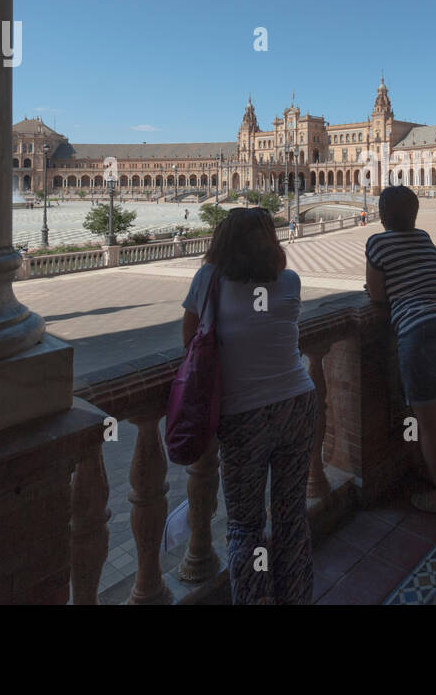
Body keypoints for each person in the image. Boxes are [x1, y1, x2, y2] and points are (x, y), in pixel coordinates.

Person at [180, 207, 316, 604]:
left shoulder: (208, 278)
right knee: (292, 519)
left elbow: (190, 341)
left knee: (245, 528)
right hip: (298, 402)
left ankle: (255, 598)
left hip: (243, 415)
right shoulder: (289, 280)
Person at [366, 186, 436, 515]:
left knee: (431, 424)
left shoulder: (377, 243)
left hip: (420, 334)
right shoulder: (424, 237)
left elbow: (377, 295)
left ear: (382, 215)